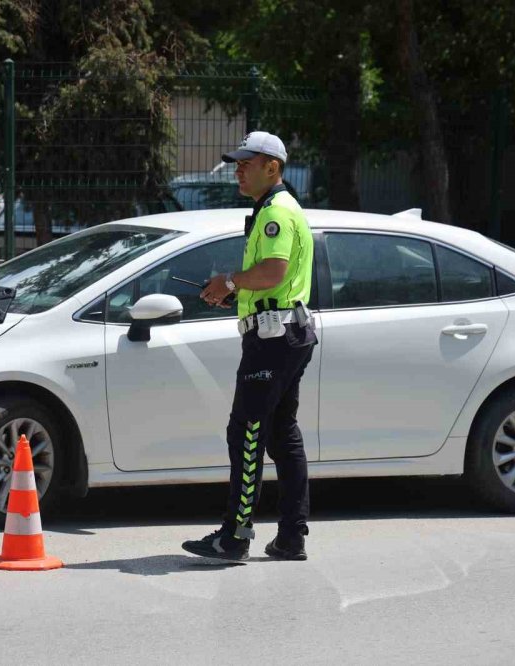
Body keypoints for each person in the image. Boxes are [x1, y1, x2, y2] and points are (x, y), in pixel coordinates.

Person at [182, 131, 317, 562]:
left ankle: (235, 536)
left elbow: (274, 271)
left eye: (246, 163)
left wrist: (231, 282)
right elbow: (271, 277)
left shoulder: (276, 211)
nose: (238, 170)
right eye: (237, 163)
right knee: (281, 434)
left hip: (274, 338)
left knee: (246, 433)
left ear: (272, 168)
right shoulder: (273, 209)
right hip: (285, 332)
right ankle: (291, 537)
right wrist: (231, 290)